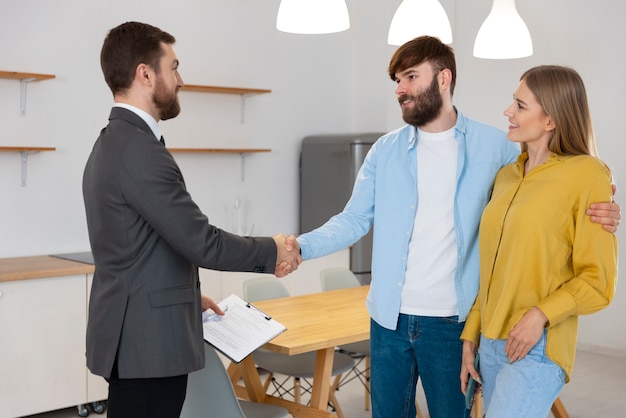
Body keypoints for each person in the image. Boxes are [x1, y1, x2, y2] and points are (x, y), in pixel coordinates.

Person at [287, 36, 620, 418]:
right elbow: (354, 219)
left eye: (411, 76)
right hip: (388, 321)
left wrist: (605, 201)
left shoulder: (498, 149)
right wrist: (300, 246)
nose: (400, 89)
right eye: (397, 80)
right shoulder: (386, 151)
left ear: (443, 79)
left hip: (453, 323)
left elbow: (557, 179)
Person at [82, 21, 301, 418]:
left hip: (136, 336)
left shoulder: (113, 141)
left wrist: (184, 296)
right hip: (147, 346)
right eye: (174, 66)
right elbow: (201, 241)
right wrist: (273, 249)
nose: (180, 80)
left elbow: (141, 248)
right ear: (145, 74)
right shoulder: (139, 150)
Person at [459, 65, 618, 417]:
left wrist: (539, 315)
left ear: (550, 120)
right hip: (490, 343)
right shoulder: (506, 176)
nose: (507, 112)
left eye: (520, 105)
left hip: (538, 344)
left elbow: (598, 282)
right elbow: (494, 270)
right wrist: (472, 334)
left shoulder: (588, 175)